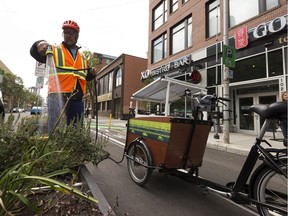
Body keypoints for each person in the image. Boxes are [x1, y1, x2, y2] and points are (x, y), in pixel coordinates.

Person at [30, 20, 97, 134]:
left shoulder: (83, 58)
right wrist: (39, 43)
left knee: (76, 132)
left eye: (71, 33)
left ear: (77, 36)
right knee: (55, 132)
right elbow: (34, 52)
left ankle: (73, 151)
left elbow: (83, 77)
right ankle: (54, 151)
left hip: (76, 98)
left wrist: (91, 74)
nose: (68, 36)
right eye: (66, 33)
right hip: (57, 97)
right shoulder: (54, 49)